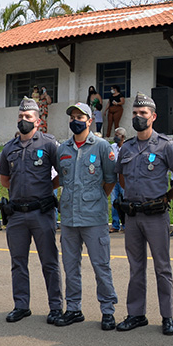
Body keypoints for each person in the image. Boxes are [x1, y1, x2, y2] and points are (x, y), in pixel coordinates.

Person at [114, 93, 173, 335]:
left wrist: (166, 197)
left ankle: (167, 316)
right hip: (133, 216)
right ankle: (136, 314)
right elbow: (121, 178)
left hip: (156, 215)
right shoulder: (126, 147)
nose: (138, 117)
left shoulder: (165, 146)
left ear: (153, 117)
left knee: (162, 267)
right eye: (135, 113)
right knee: (136, 267)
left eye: (143, 114)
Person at [54, 102, 119, 329]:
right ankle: (73, 309)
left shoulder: (101, 146)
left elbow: (110, 180)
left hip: (94, 219)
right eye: (72, 116)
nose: (75, 120)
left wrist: (96, 198)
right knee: (70, 266)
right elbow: (61, 180)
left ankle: (108, 310)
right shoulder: (63, 149)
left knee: (101, 266)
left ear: (90, 120)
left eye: (80, 116)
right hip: (69, 219)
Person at [0, 97, 63, 324]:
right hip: (16, 214)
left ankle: (55, 307)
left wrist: (46, 190)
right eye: (20, 116)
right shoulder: (9, 148)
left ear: (38, 121)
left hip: (41, 212)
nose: (23, 120)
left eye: (28, 117)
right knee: (18, 262)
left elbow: (61, 176)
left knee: (49, 262)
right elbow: (5, 180)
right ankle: (21, 305)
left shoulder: (48, 145)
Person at [109, 127, 127, 233]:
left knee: (124, 201)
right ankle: (115, 225)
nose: (115, 137)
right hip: (114, 178)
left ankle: (125, 224)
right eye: (115, 134)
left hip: (124, 178)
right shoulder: (112, 147)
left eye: (117, 135)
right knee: (114, 201)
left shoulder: (127, 148)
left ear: (123, 137)